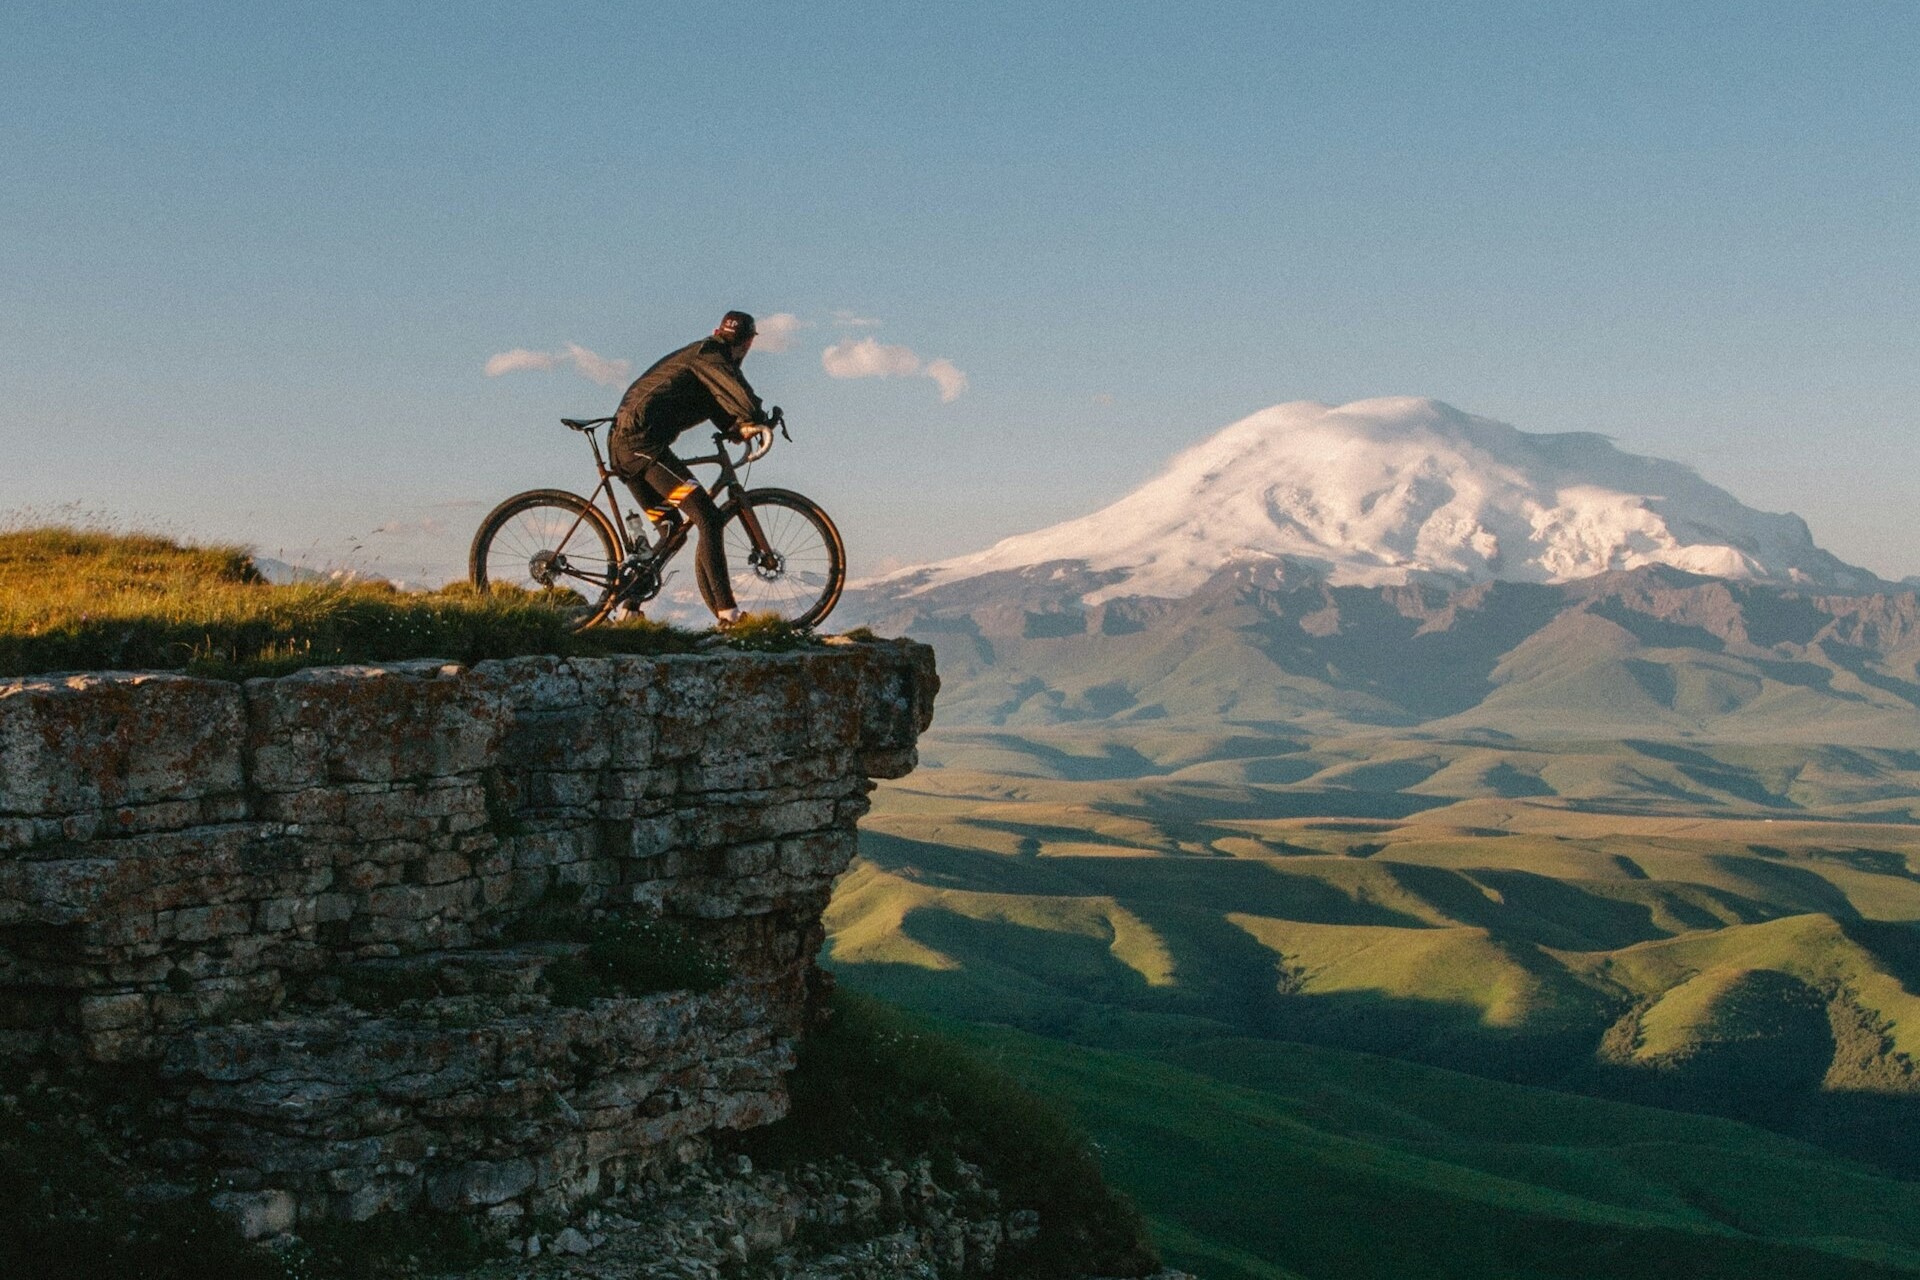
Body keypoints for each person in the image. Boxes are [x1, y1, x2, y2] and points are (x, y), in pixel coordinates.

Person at [610, 310, 770, 626]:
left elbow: (715, 403)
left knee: (671, 530)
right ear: (748, 343)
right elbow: (737, 392)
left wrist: (736, 429)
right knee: (708, 517)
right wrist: (757, 418)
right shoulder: (712, 354)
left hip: (627, 446)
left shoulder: (703, 360)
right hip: (641, 446)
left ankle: (628, 609)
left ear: (718, 330)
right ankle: (728, 614)